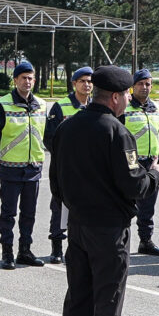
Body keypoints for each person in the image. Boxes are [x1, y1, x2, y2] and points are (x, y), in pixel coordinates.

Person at [52, 65, 148, 316]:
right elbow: (134, 185)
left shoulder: (67, 127)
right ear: (116, 97)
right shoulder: (117, 132)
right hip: (109, 229)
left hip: (77, 224)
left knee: (78, 295)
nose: (128, 101)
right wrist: (155, 175)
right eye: (127, 96)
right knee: (108, 300)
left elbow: (56, 183)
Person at [0, 59, 48, 268]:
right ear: (15, 80)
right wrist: (4, 149)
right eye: (23, 78)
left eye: (30, 78)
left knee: (29, 213)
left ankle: (25, 251)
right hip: (10, 168)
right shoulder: (3, 104)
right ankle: (7, 252)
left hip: (33, 168)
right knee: (8, 213)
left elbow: (46, 134)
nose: (27, 82)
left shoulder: (41, 105)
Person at [43, 67, 96, 263]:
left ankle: (84, 247)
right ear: (74, 84)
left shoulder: (95, 106)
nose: (87, 84)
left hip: (89, 169)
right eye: (82, 81)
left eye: (89, 81)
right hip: (66, 168)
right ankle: (56, 247)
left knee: (88, 209)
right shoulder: (61, 106)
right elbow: (50, 138)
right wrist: (66, 158)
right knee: (60, 208)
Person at [124, 69, 159, 255]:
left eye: (148, 84)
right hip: (130, 163)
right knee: (126, 205)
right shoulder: (125, 107)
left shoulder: (157, 108)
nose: (144, 87)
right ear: (132, 86)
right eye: (140, 84)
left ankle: (146, 241)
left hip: (151, 164)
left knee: (148, 207)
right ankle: (121, 242)